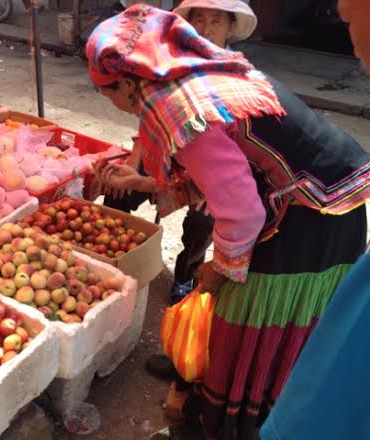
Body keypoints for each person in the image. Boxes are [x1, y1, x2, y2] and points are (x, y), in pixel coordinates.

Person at [87, 5, 369, 439]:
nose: (110, 101)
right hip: (303, 197)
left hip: (315, 214)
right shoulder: (193, 77)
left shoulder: (178, 107)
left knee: (245, 305)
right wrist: (144, 181)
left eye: (105, 91)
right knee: (233, 305)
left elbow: (241, 210)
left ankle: (227, 420)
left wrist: (219, 269)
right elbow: (220, 173)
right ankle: (201, 376)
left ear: (126, 81)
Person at [258, 1, 370, 438]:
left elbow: (238, 207)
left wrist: (224, 265)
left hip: (324, 203)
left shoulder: (211, 93)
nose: (340, 7)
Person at [104, 0, 258, 303]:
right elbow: (147, 120)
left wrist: (213, 195)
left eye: (216, 21)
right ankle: (110, 253)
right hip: (168, 153)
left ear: (230, 28)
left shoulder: (235, 74)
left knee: (202, 221)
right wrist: (135, 166)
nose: (206, 29)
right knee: (118, 190)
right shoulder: (170, 64)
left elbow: (239, 153)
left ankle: (186, 275)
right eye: (198, 20)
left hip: (217, 168)